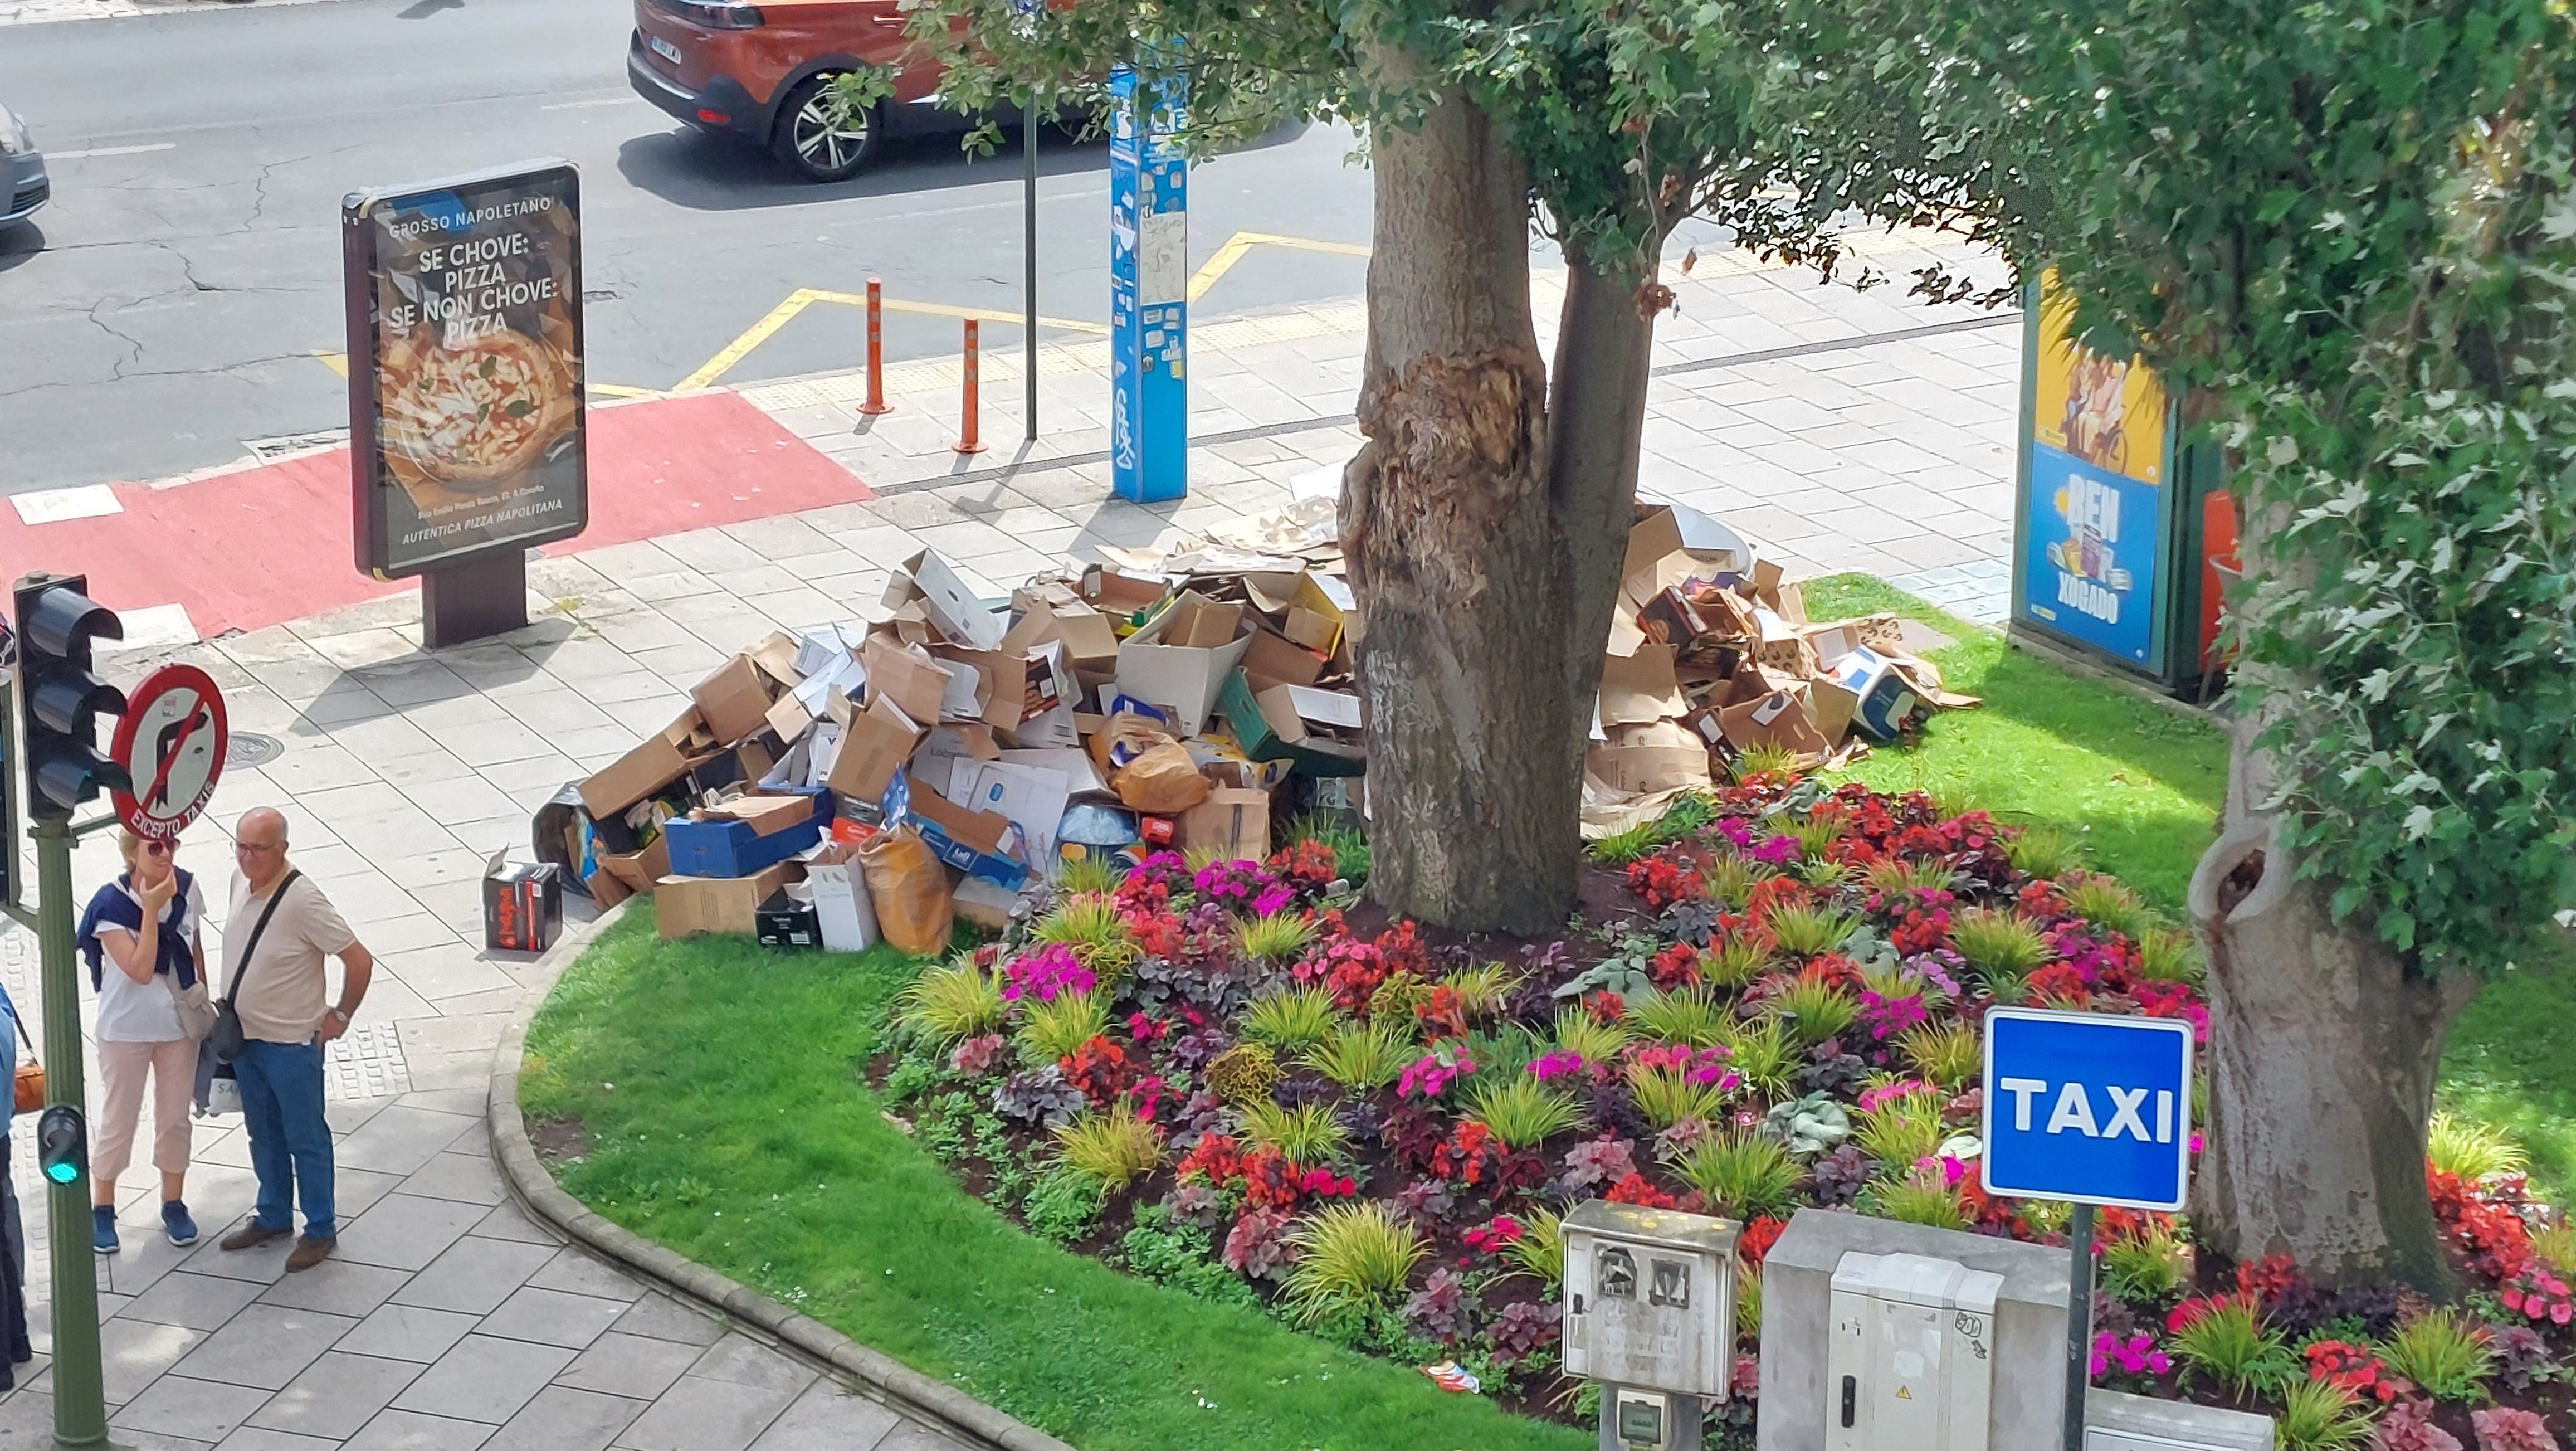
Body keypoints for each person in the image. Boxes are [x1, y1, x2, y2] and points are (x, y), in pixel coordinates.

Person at [215, 808, 373, 1273]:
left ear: (282, 849)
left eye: (258, 849)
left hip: (291, 1046)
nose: (247, 858)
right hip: (247, 1041)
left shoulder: (303, 900)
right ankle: (273, 1215)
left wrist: (340, 1015)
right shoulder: (237, 881)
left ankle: (320, 1228)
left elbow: (359, 960)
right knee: (262, 1134)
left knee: (306, 1138)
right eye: (240, 846)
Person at [74, 830, 209, 1254]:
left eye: (172, 844)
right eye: (155, 847)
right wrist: (151, 909)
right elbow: (138, 967)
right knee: (119, 1120)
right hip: (125, 1031)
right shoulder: (109, 906)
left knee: (174, 1120)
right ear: (133, 855)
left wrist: (200, 994)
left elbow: (196, 947)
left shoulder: (187, 888)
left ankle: (173, 1202)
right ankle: (103, 1207)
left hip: (177, 1029)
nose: (166, 852)